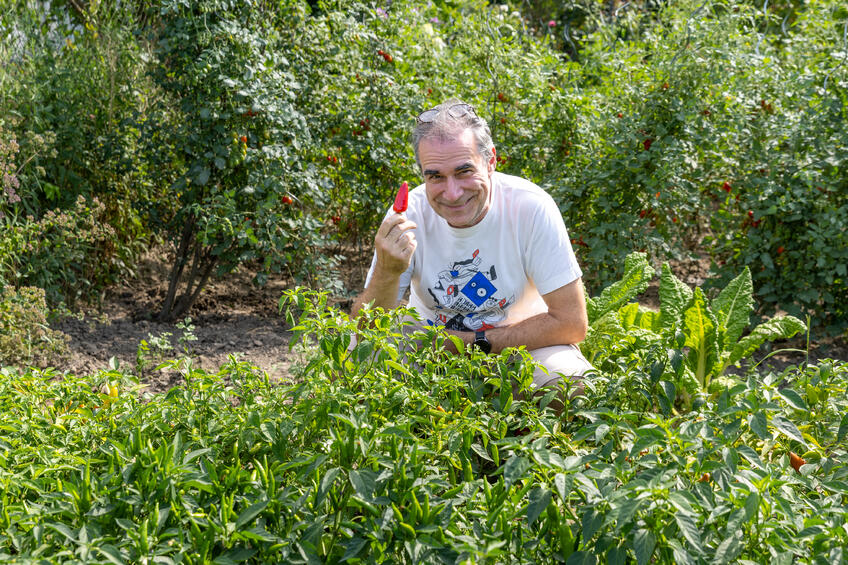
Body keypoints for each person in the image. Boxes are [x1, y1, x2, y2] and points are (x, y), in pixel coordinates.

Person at [350, 98, 592, 394]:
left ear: (491, 161)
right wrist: (388, 272)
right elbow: (366, 327)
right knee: (356, 358)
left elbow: (571, 322)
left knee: (573, 387)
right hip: (428, 342)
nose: (452, 194)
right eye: (436, 176)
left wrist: (471, 343)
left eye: (464, 171)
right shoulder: (407, 215)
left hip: (522, 344)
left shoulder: (531, 208)